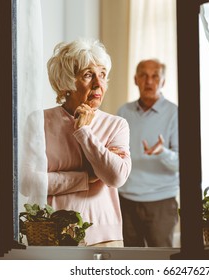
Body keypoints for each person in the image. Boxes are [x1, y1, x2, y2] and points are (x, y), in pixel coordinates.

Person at [20, 38, 132, 247]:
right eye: (88, 75)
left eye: (103, 74)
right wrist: (85, 178)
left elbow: (116, 177)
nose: (99, 84)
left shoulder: (117, 125)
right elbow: (28, 183)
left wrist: (84, 132)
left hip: (105, 238)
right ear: (67, 83)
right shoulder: (38, 121)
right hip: (51, 234)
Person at [117, 59, 179, 247]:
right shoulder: (123, 111)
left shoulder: (174, 113)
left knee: (161, 261)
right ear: (135, 79)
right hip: (125, 200)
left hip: (160, 201)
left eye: (155, 76)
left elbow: (182, 163)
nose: (149, 81)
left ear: (163, 82)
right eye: (143, 75)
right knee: (130, 261)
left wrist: (162, 152)